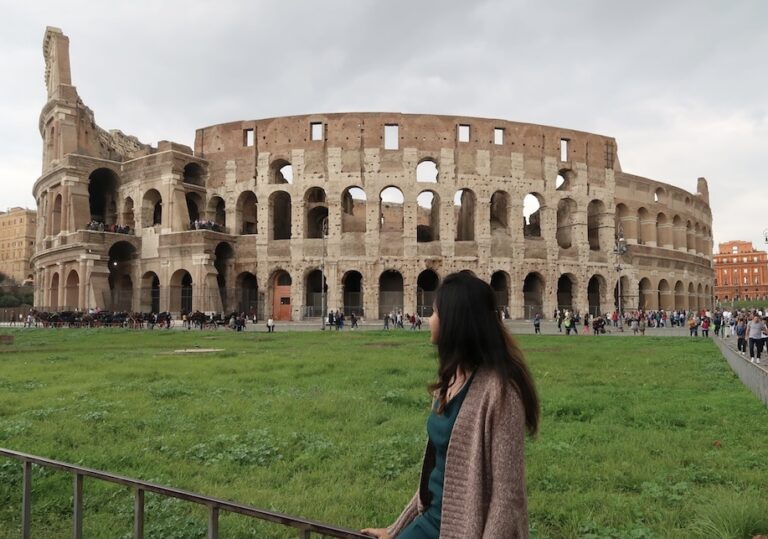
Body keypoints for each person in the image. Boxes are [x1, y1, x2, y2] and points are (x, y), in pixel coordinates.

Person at [362, 272, 539, 539]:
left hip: (464, 530)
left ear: (455, 320)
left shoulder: (501, 392)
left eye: (434, 313)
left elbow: (507, 498)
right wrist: (395, 530)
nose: (428, 320)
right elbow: (438, 474)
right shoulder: (450, 378)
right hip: (431, 522)